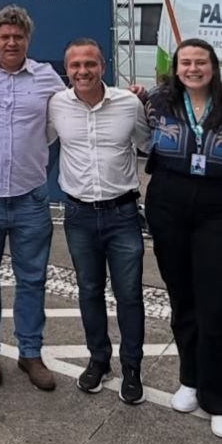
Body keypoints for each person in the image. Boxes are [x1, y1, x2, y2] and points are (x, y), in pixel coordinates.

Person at [143, 37, 222, 439]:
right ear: (175, 68)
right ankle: (190, 379)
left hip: (221, 205)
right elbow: (140, 131)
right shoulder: (157, 100)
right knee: (182, 298)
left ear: (213, 66)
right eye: (186, 63)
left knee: (217, 302)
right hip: (169, 200)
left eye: (200, 62)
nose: (193, 69)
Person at [0, 6, 62, 391]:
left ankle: (30, 353)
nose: (11, 42)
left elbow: (68, 116)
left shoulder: (46, 77)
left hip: (30, 198)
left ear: (28, 40)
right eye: (4, 36)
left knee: (32, 279)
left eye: (18, 37)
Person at [45, 38, 149, 404]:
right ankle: (99, 360)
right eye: (75, 65)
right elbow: (37, 140)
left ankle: (132, 368)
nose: (83, 71)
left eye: (90, 63)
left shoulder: (128, 104)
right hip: (79, 215)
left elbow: (149, 144)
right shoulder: (57, 105)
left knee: (129, 294)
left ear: (103, 66)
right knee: (89, 290)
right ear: (66, 70)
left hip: (123, 214)